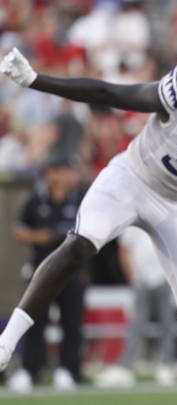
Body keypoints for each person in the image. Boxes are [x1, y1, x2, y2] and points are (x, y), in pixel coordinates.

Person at [0, 38, 177, 405]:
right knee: (80, 243)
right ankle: (8, 342)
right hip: (132, 179)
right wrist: (37, 79)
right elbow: (111, 92)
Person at [10, 152, 86, 392]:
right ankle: (31, 370)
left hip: (71, 273)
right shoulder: (36, 201)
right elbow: (19, 231)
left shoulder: (79, 200)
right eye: (60, 170)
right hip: (41, 273)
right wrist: (45, 236)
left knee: (72, 323)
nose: (66, 175)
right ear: (50, 174)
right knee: (35, 322)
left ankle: (69, 370)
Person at [95, 226, 177, 388]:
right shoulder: (133, 223)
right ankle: (125, 367)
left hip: (164, 278)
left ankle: (166, 365)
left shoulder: (163, 221)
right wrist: (133, 277)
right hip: (141, 280)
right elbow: (124, 250)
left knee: (168, 324)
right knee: (136, 325)